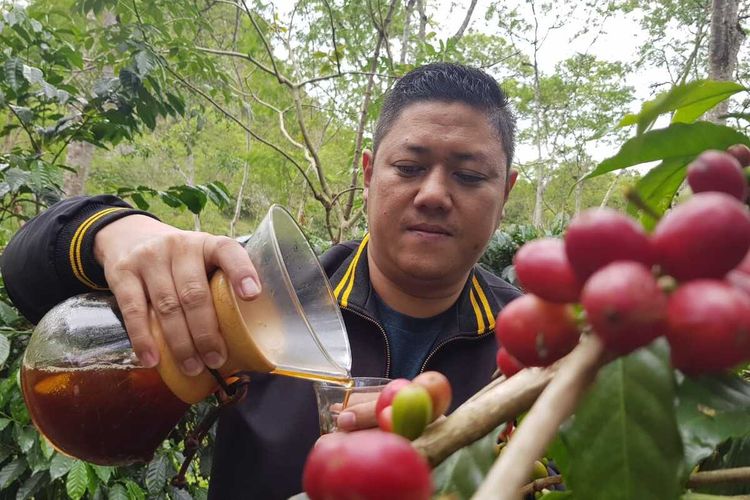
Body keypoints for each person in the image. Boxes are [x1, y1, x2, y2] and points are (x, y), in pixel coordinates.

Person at [2, 62, 520, 499]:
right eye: (408, 167)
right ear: (367, 176)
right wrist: (117, 233)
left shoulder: (538, 345)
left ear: (505, 193)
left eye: (470, 176)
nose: (432, 194)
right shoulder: (262, 294)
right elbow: (23, 273)